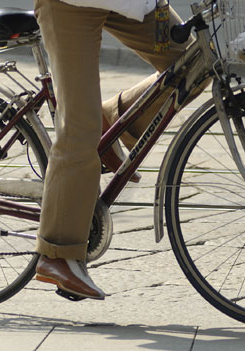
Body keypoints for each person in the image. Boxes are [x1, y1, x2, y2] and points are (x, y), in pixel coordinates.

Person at [32, 0, 196, 300]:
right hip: (71, 5)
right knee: (80, 129)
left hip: (133, 3)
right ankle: (57, 253)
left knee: (194, 63)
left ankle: (114, 117)